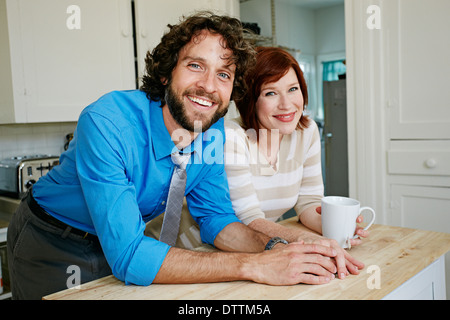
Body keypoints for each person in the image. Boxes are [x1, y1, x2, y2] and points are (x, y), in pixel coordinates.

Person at [7, 12, 358, 300]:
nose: (208, 85)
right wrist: (252, 265)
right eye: (195, 66)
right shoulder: (108, 123)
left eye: (223, 74)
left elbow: (218, 220)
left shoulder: (212, 132)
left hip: (124, 245)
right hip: (52, 241)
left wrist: (278, 248)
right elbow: (129, 255)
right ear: (165, 71)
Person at [224, 47, 368, 278]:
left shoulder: (306, 131)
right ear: (249, 99)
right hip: (203, 251)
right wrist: (309, 241)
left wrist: (335, 230)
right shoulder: (231, 136)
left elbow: (308, 203)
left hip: (259, 249)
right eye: (270, 93)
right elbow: (247, 218)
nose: (287, 104)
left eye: (293, 89)